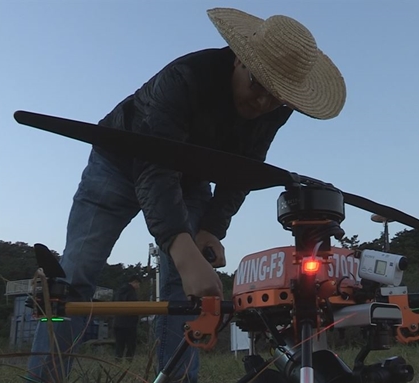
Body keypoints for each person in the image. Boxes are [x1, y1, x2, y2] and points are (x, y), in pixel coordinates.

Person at [24, 7, 346, 383]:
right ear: (240, 59)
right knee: (75, 275)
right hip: (118, 163)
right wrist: (183, 251)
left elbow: (243, 169)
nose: (262, 103)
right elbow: (154, 167)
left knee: (187, 292)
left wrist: (211, 229)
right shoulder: (186, 77)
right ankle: (43, 377)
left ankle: (177, 378)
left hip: (192, 177)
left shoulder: (273, 109)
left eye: (276, 97)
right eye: (258, 85)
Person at [112, 275, 141, 363]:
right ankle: (129, 362)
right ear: (134, 282)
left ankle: (117, 362)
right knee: (131, 345)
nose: (138, 287)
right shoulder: (131, 292)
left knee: (119, 345)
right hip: (129, 323)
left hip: (118, 322)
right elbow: (133, 306)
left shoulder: (118, 292)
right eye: (138, 284)